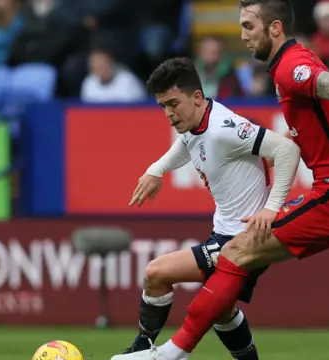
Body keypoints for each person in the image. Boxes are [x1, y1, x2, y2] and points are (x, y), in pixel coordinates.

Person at [115, 0, 329, 360]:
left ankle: (170, 353)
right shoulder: (294, 60)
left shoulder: (291, 68)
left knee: (237, 251)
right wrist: (158, 169)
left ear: (274, 29)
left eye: (248, 26)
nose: (242, 36)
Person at [112, 57, 300, 360]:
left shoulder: (225, 128)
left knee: (156, 272)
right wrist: (156, 170)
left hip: (243, 239)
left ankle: (143, 347)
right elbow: (185, 143)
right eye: (163, 106)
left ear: (197, 97)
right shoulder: (197, 122)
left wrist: (271, 208)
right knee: (222, 309)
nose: (169, 114)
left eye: (173, 103)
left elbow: (287, 149)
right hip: (225, 234)